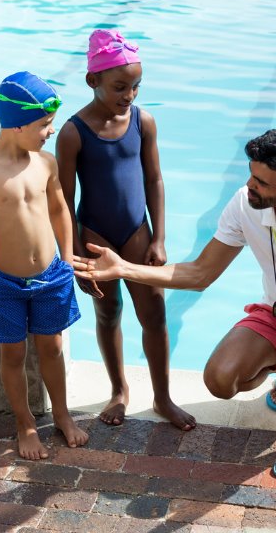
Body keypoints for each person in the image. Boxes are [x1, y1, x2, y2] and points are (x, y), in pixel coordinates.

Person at [73, 127, 276, 478]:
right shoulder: (245, 203)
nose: (250, 185)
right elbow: (200, 273)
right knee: (221, 381)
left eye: (262, 182)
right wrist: (123, 268)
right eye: (251, 175)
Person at [55, 29, 195, 430]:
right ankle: (119, 390)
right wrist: (73, 251)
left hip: (137, 230)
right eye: (120, 87)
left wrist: (160, 237)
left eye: (135, 86)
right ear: (92, 81)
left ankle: (163, 397)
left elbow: (154, 180)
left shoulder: (142, 121)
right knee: (108, 311)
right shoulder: (72, 132)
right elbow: (63, 198)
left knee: (154, 313)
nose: (129, 95)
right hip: (94, 232)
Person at [0, 72, 88, 460]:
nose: (50, 132)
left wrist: (68, 253)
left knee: (53, 347)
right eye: (44, 125)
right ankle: (25, 423)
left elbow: (60, 207)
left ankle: (61, 414)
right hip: (3, 281)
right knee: (12, 355)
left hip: (50, 275)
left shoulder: (45, 162)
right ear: (18, 124)